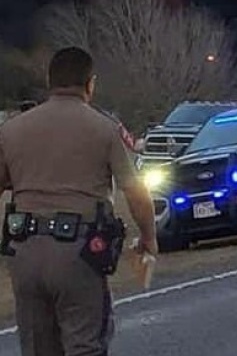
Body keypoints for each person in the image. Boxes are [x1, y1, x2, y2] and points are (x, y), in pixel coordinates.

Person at [0, 46, 158, 355]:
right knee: (84, 346)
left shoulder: (11, 130)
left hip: (24, 253)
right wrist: (149, 239)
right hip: (78, 252)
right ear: (90, 84)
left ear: (50, 80)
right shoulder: (106, 129)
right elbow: (136, 193)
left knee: (36, 348)